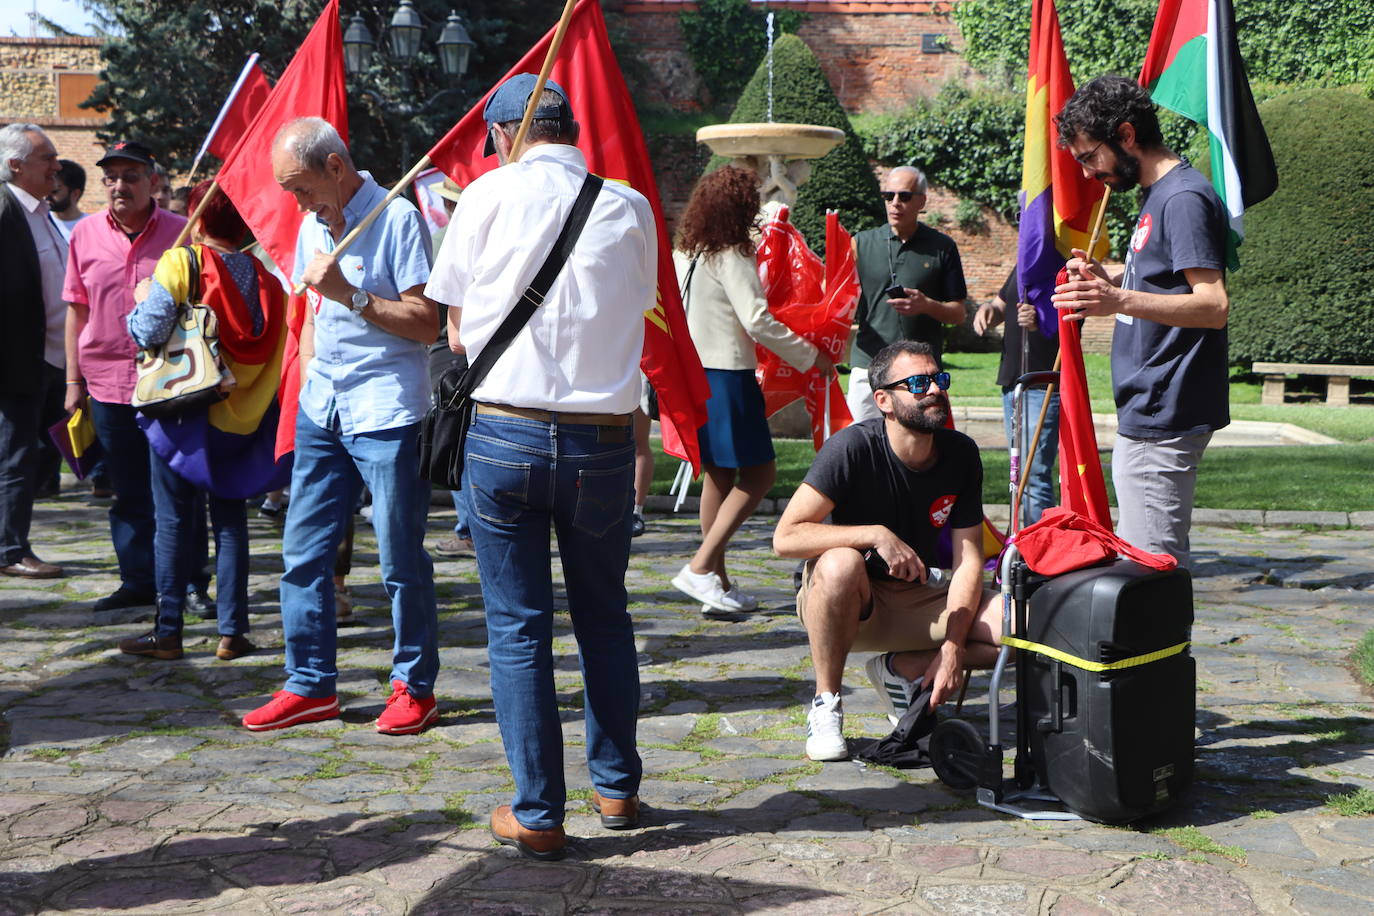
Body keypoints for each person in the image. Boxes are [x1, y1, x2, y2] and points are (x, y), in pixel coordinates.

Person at [425, 74, 651, 860]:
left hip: (507, 435)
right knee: (604, 614)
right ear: (572, 127)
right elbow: (634, 315)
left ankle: (539, 811)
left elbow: (456, 336)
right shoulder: (630, 206)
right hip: (600, 439)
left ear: (502, 136)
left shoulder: (485, 197)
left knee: (519, 628)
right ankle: (617, 786)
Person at [241, 117, 440, 734]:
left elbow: (427, 323)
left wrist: (351, 293)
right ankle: (310, 684)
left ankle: (414, 685)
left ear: (335, 165)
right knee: (302, 552)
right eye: (288, 190)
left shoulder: (397, 219)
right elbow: (313, 316)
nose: (294, 201)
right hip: (324, 407)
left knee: (399, 558)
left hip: (386, 410)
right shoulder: (310, 225)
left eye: (299, 186)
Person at [774, 340, 1001, 762]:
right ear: (884, 400)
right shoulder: (852, 448)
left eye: (939, 379)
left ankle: (900, 671)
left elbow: (970, 559)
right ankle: (826, 704)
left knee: (1017, 628)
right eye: (917, 382)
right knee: (841, 562)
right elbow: (785, 538)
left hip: (917, 596)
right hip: (848, 600)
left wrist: (952, 648)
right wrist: (874, 534)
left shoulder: (961, 453)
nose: (934, 389)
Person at [1051, 75, 1228, 568]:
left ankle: (1169, 650)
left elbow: (1212, 305)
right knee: (1143, 571)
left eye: (1090, 157)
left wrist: (1116, 298)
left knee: (1152, 579)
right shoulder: (1159, 194)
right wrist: (1104, 276)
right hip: (1150, 409)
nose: (1087, 174)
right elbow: (1163, 280)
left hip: (1163, 410)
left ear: (1126, 135)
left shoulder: (1181, 198)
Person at [117, 181, 288, 660]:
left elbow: (147, 330)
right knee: (230, 522)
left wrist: (141, 295)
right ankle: (232, 631)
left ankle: (168, 630)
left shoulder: (182, 262)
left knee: (172, 521)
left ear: (197, 218)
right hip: (243, 420)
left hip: (186, 412)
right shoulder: (269, 280)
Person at [669, 165, 830, 615]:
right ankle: (701, 567)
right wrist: (810, 356)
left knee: (719, 475)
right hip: (727, 377)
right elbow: (756, 319)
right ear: (739, 208)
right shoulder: (731, 255)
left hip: (695, 375)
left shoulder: (687, 251)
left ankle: (715, 585)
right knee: (760, 475)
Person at [63, 141, 187, 610]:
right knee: (128, 491)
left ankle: (188, 583)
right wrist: (73, 383)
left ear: (152, 183)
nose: (119, 186)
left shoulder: (181, 232)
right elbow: (76, 310)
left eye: (130, 176)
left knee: (177, 491)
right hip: (107, 382)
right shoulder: (85, 234)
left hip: (170, 383)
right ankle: (137, 581)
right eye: (110, 177)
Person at [848, 166, 967, 422]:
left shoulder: (942, 247)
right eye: (888, 196)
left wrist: (927, 305)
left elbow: (958, 314)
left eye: (904, 196)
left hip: (920, 370)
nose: (894, 203)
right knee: (864, 444)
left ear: (921, 201)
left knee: (918, 448)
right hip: (868, 362)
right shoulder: (860, 243)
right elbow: (836, 298)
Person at [0, 123, 67, 579]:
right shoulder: (5, 210)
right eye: (47, 158)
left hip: (48, 356)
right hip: (15, 358)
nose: (56, 167)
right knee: (15, 454)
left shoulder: (42, 211)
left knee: (30, 452)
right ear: (15, 165)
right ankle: (9, 549)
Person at [973, 266, 1060, 525]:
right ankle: (1022, 543)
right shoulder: (1025, 263)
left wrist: (1039, 320)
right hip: (1013, 384)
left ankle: (1040, 551)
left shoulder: (1063, 268)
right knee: (1018, 472)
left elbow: (1072, 321)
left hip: (1042, 386)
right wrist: (988, 309)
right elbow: (1001, 305)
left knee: (1034, 474)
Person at [49, 158, 86, 238]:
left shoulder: (93, 226)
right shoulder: (40, 222)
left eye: (54, 191)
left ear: (75, 194)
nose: (47, 196)